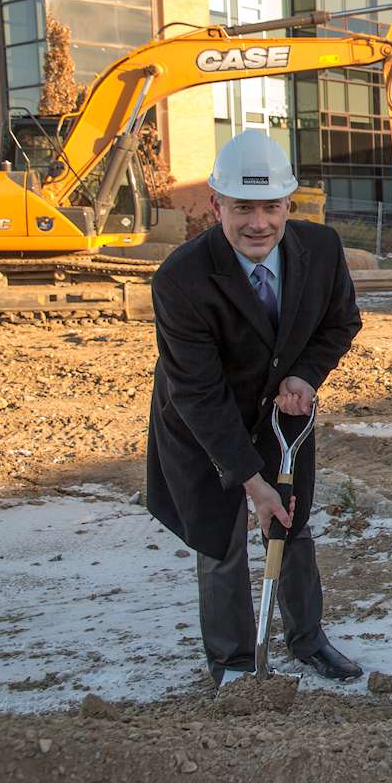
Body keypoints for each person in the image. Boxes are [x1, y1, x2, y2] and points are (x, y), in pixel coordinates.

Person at [146, 129, 364, 685]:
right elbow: (199, 392)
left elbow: (341, 322)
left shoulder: (320, 250)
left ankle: (308, 640)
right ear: (217, 204)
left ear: (289, 203)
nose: (259, 223)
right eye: (243, 208)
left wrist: (306, 374)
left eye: (271, 207)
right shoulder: (181, 280)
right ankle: (235, 664)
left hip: (281, 416)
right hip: (202, 422)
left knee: (290, 522)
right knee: (219, 538)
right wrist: (250, 481)